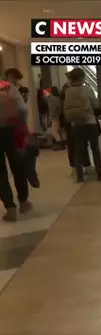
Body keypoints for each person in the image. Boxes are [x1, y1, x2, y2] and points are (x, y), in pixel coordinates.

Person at [63, 68, 101, 183]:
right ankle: (100, 174)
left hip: (75, 124)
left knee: (78, 150)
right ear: (82, 77)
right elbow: (95, 104)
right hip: (89, 122)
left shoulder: (67, 91)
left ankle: (79, 176)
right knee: (95, 149)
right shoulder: (87, 89)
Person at [0, 68, 32, 221]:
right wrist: (22, 126)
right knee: (18, 166)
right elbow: (22, 109)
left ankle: (10, 208)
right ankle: (23, 201)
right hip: (11, 131)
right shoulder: (7, 86)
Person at [61, 74, 92, 175]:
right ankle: (83, 166)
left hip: (69, 119)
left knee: (74, 145)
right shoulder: (79, 88)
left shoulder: (66, 89)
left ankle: (76, 168)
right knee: (80, 144)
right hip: (79, 119)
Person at [47, 86, 65, 150]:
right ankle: (62, 143)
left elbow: (52, 109)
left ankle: (59, 143)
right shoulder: (58, 99)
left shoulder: (52, 99)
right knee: (58, 131)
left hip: (54, 116)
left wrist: (50, 116)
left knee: (54, 131)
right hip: (58, 116)